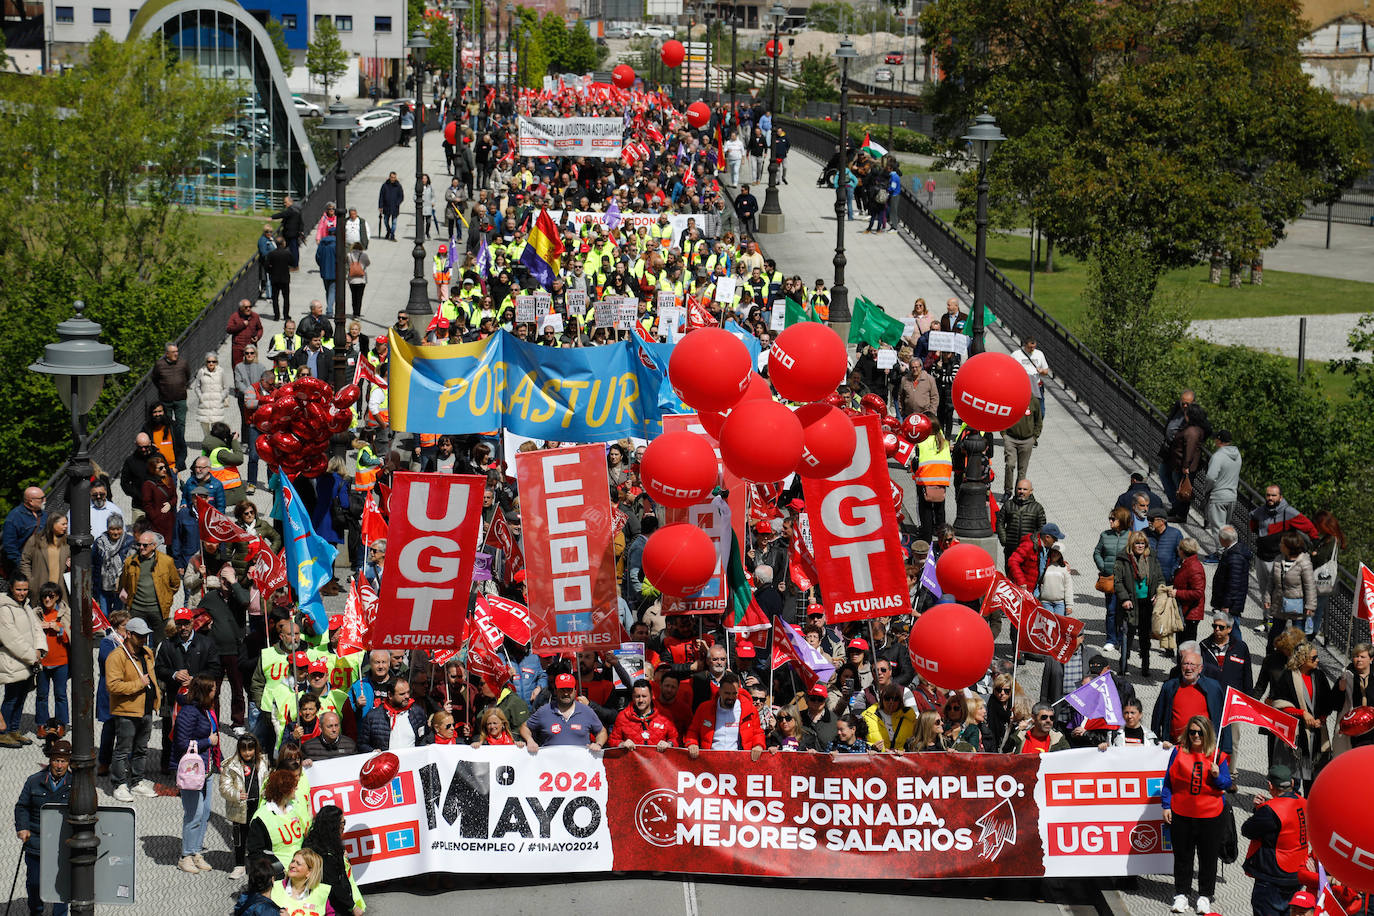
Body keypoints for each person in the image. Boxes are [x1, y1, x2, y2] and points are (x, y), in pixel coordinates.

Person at [1162, 716, 1232, 916]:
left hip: (1211, 816)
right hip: (1181, 814)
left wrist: (1218, 776)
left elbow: (1227, 785)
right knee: (1183, 857)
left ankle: (1204, 896)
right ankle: (1181, 894)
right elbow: (1168, 781)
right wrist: (1166, 805)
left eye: (1200, 732)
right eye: (1192, 732)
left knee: (1208, 858)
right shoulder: (1177, 752)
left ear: (1207, 733)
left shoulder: (1217, 755)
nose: (1195, 735)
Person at [1265, 641, 1333, 795]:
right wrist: (1302, 713)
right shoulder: (1287, 676)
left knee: (1314, 778)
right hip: (1294, 735)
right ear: (1302, 659)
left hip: (1315, 734)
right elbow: (1278, 702)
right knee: (1294, 778)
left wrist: (1320, 719)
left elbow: (1327, 702)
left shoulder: (1319, 676)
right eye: (1314, 658)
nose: (1317, 660)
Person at [105, 616, 160, 801]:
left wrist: (157, 698)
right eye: (139, 635)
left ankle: (137, 782)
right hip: (126, 711)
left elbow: (151, 678)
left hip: (145, 709)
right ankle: (119, 784)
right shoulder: (117, 656)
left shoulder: (146, 653)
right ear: (128, 634)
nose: (144, 639)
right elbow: (113, 686)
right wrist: (138, 684)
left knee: (141, 748)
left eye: (145, 635)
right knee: (123, 749)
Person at [1242, 764, 1309, 916]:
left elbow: (1247, 830)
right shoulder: (1304, 803)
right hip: (1296, 872)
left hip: (1273, 876)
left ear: (1270, 785)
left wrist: (1260, 808)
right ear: (1292, 783)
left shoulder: (1270, 810)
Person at [14, 739, 71, 916]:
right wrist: (22, 827)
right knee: (34, 883)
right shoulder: (34, 781)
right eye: (56, 760)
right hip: (36, 842)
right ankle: (36, 911)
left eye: (63, 761)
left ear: (69, 762)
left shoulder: (77, 784)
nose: (59, 765)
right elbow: (22, 806)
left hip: (63, 844)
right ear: (50, 760)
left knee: (61, 884)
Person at [173, 673, 220, 873]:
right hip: (192, 772)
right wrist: (207, 741)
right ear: (205, 692)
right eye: (213, 690)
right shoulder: (189, 712)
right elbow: (181, 743)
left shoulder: (205, 710)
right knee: (194, 813)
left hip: (206, 769)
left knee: (205, 812)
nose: (216, 693)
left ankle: (196, 851)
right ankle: (185, 855)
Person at [1152, 641, 1232, 755]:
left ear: (1200, 668)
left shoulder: (1213, 688)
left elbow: (1224, 719)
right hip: (1175, 748)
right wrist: (1157, 742)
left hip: (1205, 749)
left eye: (1192, 664)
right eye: (1185, 664)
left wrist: (1226, 749)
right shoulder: (1169, 686)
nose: (1188, 668)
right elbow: (1157, 717)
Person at [1249, 485, 1318, 612]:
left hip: (1277, 558)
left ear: (1280, 497)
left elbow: (1309, 527)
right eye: (1268, 495)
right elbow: (1253, 525)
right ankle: (1267, 618)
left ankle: (1276, 619)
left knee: (1276, 590)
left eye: (1273, 495)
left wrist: (1316, 544)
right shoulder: (1260, 511)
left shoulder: (1289, 512)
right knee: (1264, 590)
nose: (1270, 498)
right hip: (1261, 556)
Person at [1114, 531, 1163, 676]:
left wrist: (1157, 593)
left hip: (1147, 603)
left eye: (1142, 543)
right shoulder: (1123, 559)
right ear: (1132, 544)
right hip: (1129, 603)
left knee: (1144, 636)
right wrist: (1124, 599)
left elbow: (1160, 578)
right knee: (1127, 635)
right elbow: (1118, 581)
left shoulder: (1151, 558)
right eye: (1137, 543)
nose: (1140, 546)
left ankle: (1145, 665)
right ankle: (1124, 663)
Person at [0, 577, 42, 747]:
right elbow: (12, 639)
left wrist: (40, 648)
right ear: (11, 588)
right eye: (19, 589)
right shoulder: (4, 608)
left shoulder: (26, 605)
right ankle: (3, 732)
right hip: (13, 659)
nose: (22, 593)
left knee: (22, 696)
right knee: (12, 696)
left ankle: (14, 730)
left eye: (25, 589)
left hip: (28, 660)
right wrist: (32, 655)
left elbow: (36, 628)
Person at [685, 671, 765, 761]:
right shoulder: (705, 708)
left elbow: (758, 732)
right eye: (727, 693)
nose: (731, 697)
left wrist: (758, 745)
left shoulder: (749, 709)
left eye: (734, 693)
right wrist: (692, 744)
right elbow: (693, 731)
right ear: (720, 691)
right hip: (710, 761)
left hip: (738, 761)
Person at [221, 732, 269, 879]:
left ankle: (258, 864)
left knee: (259, 836)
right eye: (244, 749)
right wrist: (236, 794)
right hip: (240, 806)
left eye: (250, 749)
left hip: (258, 804)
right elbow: (224, 787)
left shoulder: (262, 762)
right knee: (239, 837)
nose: (247, 753)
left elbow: (266, 779)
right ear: (239, 749)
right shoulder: (231, 765)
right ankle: (239, 864)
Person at [302, 806, 366, 916]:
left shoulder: (316, 841)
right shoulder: (324, 852)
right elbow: (334, 883)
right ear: (333, 825)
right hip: (330, 905)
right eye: (342, 823)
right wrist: (352, 906)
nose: (344, 827)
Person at [521, 672, 607, 750]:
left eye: (569, 689)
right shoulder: (544, 711)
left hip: (580, 765)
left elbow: (601, 732)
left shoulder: (586, 711)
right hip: (550, 765)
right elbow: (525, 727)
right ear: (555, 690)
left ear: (575, 691)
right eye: (562, 689)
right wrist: (530, 740)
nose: (566, 693)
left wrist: (598, 744)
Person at [1265, 531, 1316, 651]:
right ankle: (1271, 657)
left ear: (1289, 546)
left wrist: (1310, 606)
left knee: (1298, 635)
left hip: (1297, 605)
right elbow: (1271, 581)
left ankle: (1299, 659)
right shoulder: (1278, 559)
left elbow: (1310, 586)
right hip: (1279, 602)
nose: (1280, 545)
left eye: (1282, 543)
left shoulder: (1304, 563)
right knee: (1275, 632)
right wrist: (1267, 597)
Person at [246, 768, 305, 871]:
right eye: (293, 786)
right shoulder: (261, 817)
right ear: (284, 790)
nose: (297, 788)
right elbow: (255, 853)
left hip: (302, 866)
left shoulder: (294, 807)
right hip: (279, 871)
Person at [32, 583, 70, 739]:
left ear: (57, 597)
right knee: (42, 695)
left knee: (60, 694)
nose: (47, 599)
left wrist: (59, 629)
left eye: (51, 596)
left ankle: (61, 724)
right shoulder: (35, 614)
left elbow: (71, 637)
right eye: (44, 596)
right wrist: (37, 628)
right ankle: (41, 725)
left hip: (61, 661)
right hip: (42, 662)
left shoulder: (65, 613)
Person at [1094, 507, 1131, 655]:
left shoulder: (1131, 536)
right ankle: (1111, 639)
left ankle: (1123, 640)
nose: (1110, 521)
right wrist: (1103, 567)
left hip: (1125, 580)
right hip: (1109, 578)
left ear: (1121, 520)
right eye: (1110, 518)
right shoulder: (1105, 535)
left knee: (1124, 612)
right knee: (1111, 610)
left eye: (1113, 519)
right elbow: (1097, 552)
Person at [357, 677, 427, 752]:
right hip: (385, 762)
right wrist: (373, 751)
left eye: (408, 692)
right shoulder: (373, 717)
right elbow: (361, 744)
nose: (407, 696)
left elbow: (425, 736)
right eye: (402, 694)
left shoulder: (417, 712)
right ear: (390, 695)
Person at [1202, 430, 1241, 559]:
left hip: (1218, 496)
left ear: (1219, 440)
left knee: (1218, 528)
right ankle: (1228, 552)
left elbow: (1211, 477)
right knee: (1226, 527)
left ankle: (1221, 555)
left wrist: (1206, 490)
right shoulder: (1237, 455)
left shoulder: (1218, 456)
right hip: (1232, 495)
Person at [609, 679, 679, 749]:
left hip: (658, 759)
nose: (641, 700)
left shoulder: (664, 715)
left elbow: (675, 739)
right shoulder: (623, 716)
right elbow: (612, 741)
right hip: (631, 759)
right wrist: (622, 744)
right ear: (633, 696)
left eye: (644, 696)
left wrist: (669, 744)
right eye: (637, 696)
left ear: (651, 695)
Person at [20, 514, 70, 603]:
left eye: (66, 524)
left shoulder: (67, 542)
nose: (66, 526)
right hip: (40, 586)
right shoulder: (35, 540)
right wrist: (30, 582)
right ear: (53, 524)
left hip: (61, 589)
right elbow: (25, 561)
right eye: (63, 524)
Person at [1210, 526, 1252, 623]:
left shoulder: (1235, 557)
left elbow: (1234, 584)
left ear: (1223, 539)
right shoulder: (1233, 552)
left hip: (1231, 605)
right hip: (1230, 601)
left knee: (1232, 628)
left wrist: (1226, 605)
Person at [2, 487, 46, 579]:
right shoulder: (14, 517)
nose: (45, 500)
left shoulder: (43, 514)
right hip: (22, 566)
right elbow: (9, 546)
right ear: (30, 501)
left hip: (42, 562)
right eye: (41, 498)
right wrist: (21, 565)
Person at [272, 848, 332, 916]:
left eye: (298, 864)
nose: (292, 865)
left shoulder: (321, 893)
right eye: (292, 861)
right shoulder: (273, 887)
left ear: (309, 872)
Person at [997, 479, 1046, 559]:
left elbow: (1042, 528)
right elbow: (1000, 523)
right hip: (1011, 549)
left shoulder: (1037, 508)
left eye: (1025, 489)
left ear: (1031, 491)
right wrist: (1004, 540)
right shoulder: (1008, 505)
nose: (1021, 491)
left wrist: (1034, 543)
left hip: (1028, 550)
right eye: (1019, 489)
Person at [861, 684, 916, 752]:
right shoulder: (867, 716)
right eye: (887, 698)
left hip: (901, 759)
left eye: (895, 699)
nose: (891, 702)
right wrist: (872, 747)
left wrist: (905, 750)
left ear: (900, 701)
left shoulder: (909, 717)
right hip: (877, 758)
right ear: (882, 699)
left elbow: (914, 743)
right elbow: (859, 741)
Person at [1173, 538, 1207, 645]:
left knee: (1186, 646)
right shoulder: (1186, 563)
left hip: (1190, 613)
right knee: (1181, 643)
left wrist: (1177, 593)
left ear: (1182, 551)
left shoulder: (1193, 567)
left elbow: (1198, 592)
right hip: (1185, 611)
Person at [1011, 337, 1051, 415]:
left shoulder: (1039, 354)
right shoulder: (1016, 355)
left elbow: (1046, 371)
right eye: (1030, 347)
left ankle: (1037, 425)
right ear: (1025, 345)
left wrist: (1042, 371)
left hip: (1037, 386)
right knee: (1025, 412)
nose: (1032, 349)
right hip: (1023, 387)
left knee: (1041, 412)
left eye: (1034, 347)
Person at [378, 171, 405, 241]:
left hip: (395, 207)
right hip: (386, 207)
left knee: (394, 222)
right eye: (392, 177)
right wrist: (380, 206)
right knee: (385, 221)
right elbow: (381, 196)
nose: (393, 179)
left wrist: (397, 203)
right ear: (389, 177)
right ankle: (388, 230)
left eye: (394, 177)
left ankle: (392, 235)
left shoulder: (398, 186)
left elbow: (401, 196)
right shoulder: (385, 185)